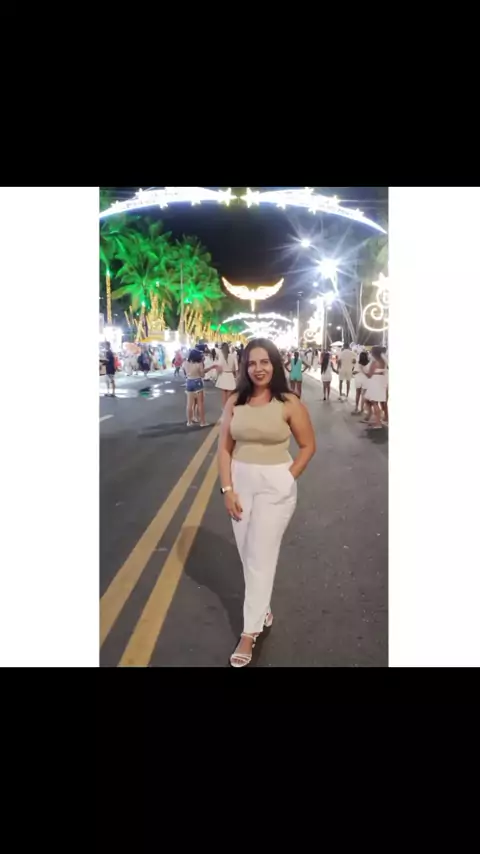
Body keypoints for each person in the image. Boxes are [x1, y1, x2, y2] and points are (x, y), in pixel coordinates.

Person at [218, 338, 316, 668]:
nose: (258, 369)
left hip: (276, 484)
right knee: (248, 555)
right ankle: (263, 609)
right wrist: (227, 489)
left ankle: (249, 632)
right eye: (251, 363)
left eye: (264, 362)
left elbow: (308, 445)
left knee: (260, 557)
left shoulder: (289, 402)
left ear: (274, 364)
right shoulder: (236, 401)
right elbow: (224, 449)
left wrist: (288, 478)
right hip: (240, 482)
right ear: (244, 367)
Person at [185, 348, 215, 427]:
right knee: (200, 403)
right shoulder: (199, 363)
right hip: (197, 382)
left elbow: (185, 373)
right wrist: (205, 371)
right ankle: (202, 422)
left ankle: (189, 421)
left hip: (189, 382)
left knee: (189, 404)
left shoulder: (185, 363)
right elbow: (202, 375)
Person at [362, 345, 388, 429]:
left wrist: (362, 370)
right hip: (381, 381)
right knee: (376, 401)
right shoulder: (383, 361)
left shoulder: (374, 362)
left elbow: (369, 375)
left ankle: (378, 423)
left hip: (375, 382)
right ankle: (379, 419)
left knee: (374, 402)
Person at [215, 343, 238, 408]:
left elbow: (218, 368)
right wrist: (236, 378)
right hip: (230, 375)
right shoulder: (233, 356)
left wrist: (217, 376)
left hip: (223, 375)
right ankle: (229, 408)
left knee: (223, 395)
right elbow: (236, 368)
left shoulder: (221, 357)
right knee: (229, 395)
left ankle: (224, 408)